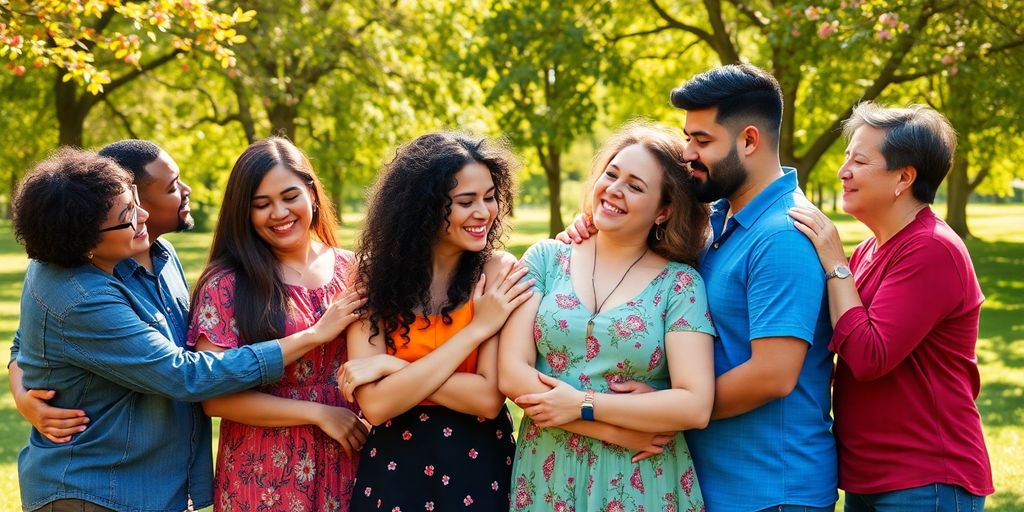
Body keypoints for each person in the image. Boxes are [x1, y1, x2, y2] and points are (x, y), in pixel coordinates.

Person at [11, 148, 360, 512]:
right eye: (130, 212)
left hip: (154, 487)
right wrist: (312, 336)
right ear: (85, 240)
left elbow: (29, 342)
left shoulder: (161, 256)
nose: (142, 213)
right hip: (97, 490)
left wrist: (21, 390)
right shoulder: (79, 295)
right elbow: (186, 375)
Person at [560, 65, 838, 511]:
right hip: (712, 480)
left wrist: (672, 408)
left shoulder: (782, 235)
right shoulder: (717, 219)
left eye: (702, 141)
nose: (688, 153)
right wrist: (590, 230)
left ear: (749, 141)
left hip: (770, 489)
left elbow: (774, 375)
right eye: (687, 137)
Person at [499, 122, 716, 511]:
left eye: (635, 186)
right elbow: (512, 374)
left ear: (664, 211)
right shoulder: (546, 260)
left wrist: (585, 402)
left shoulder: (679, 285)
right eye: (611, 174)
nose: (614, 189)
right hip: (549, 470)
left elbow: (694, 405)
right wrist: (608, 429)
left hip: (639, 477)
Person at [789, 102, 993, 511]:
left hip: (926, 479)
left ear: (904, 177)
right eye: (846, 157)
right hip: (871, 475)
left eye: (859, 160)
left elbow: (868, 355)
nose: (843, 171)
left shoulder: (932, 249)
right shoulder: (869, 249)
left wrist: (834, 262)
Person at [336, 132, 532, 511]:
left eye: (490, 197)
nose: (484, 213)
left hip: (478, 468)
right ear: (423, 207)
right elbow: (375, 406)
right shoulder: (371, 278)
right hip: (395, 470)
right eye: (465, 202)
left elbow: (487, 399)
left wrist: (393, 366)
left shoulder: (497, 273)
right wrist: (477, 329)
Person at [187, 137, 367, 511]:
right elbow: (215, 397)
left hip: (350, 454)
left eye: (290, 196)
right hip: (264, 470)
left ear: (312, 194)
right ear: (244, 213)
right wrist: (319, 413)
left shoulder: (355, 270)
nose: (279, 213)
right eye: (261, 204)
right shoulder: (227, 284)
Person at [9, 139, 194, 443]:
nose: (186, 190)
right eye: (172, 187)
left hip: (168, 467)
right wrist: (23, 396)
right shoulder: (79, 280)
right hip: (108, 471)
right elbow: (27, 341)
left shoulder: (166, 255)